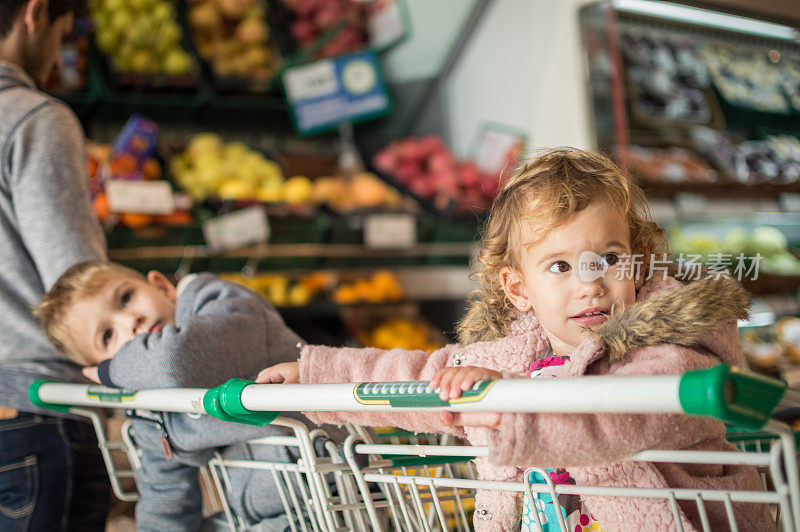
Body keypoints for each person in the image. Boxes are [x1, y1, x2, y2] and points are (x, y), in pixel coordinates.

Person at [258, 148, 772, 531]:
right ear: (518, 288)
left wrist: (508, 404)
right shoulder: (512, 356)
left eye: (609, 259)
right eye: (560, 266)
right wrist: (318, 377)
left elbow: (619, 415)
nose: (588, 283)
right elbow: (420, 379)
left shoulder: (673, 349)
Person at [35, 261, 347, 531]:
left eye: (127, 298)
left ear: (162, 286)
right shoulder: (150, 405)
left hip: (338, 486)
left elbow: (175, 361)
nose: (130, 321)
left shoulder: (225, 304)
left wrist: (111, 373)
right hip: (270, 513)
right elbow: (165, 491)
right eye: (107, 335)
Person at [0, 0, 110, 528]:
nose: (56, 55)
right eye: (62, 34)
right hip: (35, 408)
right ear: (35, 14)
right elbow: (81, 292)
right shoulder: (33, 117)